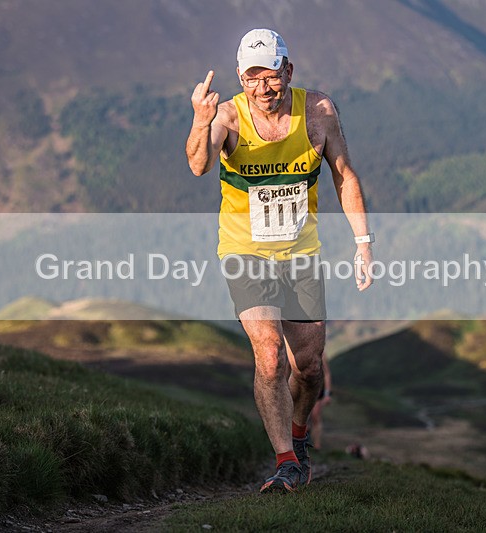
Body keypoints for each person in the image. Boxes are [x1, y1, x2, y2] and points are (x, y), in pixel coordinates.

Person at [185, 28, 374, 493]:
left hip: (301, 253)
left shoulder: (319, 113)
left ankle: (297, 434)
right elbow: (197, 164)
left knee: (309, 367)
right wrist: (198, 119)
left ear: (288, 71)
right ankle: (287, 462)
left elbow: (344, 176)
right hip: (245, 251)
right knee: (269, 357)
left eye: (270, 76)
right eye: (252, 78)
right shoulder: (227, 116)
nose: (262, 88)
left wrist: (363, 242)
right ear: (239, 77)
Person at [308, 354, 332, 449]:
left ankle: (317, 445)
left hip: (318, 389)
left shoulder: (321, 353)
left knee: (315, 416)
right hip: (304, 387)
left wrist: (327, 394)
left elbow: (327, 374)